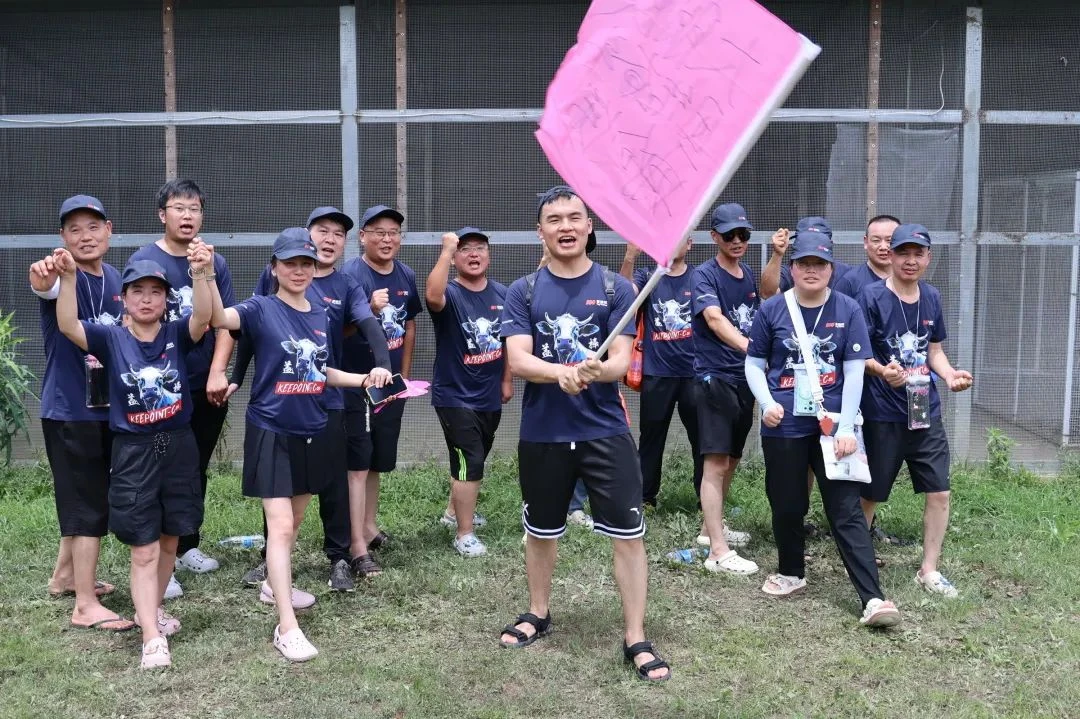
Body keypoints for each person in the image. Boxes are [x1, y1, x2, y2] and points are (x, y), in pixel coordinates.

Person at [498, 185, 670, 682]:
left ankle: (635, 636)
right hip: (544, 433)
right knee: (540, 531)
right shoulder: (523, 291)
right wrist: (562, 372)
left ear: (589, 227)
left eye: (574, 217)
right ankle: (538, 612)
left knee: (628, 537)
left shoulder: (616, 290)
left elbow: (620, 361)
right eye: (554, 220)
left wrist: (594, 372)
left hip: (605, 432)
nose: (566, 227)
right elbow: (518, 359)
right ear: (541, 232)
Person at [208, 228, 377, 661]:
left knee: (296, 519)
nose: (299, 270)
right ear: (274, 268)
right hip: (272, 430)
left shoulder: (321, 313)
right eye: (290, 264)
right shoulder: (260, 308)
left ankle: (271, 585)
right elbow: (218, 318)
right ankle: (287, 626)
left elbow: (321, 371)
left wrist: (363, 378)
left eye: (306, 263)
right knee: (281, 526)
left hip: (313, 428)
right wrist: (204, 275)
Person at [55, 242, 214, 668]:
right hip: (133, 452)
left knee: (170, 538)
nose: (146, 299)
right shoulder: (111, 338)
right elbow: (68, 324)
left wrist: (202, 272)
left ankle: (152, 610)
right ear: (123, 298)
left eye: (155, 292)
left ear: (166, 300)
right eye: (137, 291)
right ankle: (151, 638)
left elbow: (203, 317)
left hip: (179, 447)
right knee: (143, 547)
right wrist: (68, 278)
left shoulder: (176, 334)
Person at [744, 232, 902, 628]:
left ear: (831, 269)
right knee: (786, 502)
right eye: (804, 263)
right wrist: (767, 403)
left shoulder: (848, 308)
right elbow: (754, 364)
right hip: (784, 424)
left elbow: (854, 372)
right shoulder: (772, 309)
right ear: (793, 267)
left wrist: (847, 426)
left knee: (846, 508)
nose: (811, 270)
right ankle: (791, 572)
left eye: (820, 264)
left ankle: (873, 598)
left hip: (833, 428)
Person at [231, 207, 393, 591]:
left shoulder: (348, 285)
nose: (330, 239)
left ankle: (339, 558)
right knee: (278, 487)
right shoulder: (278, 277)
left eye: (338, 233)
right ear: (306, 236)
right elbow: (249, 328)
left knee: (333, 481)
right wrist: (236, 376)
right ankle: (272, 559)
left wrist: (382, 367)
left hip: (328, 398)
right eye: (323, 230)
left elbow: (368, 324)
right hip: (282, 404)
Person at [129, 179, 235, 597]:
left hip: (205, 386)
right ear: (162, 215)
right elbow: (133, 324)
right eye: (179, 208)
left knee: (194, 467)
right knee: (160, 470)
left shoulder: (214, 261)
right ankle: (160, 561)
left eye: (195, 209)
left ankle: (188, 545)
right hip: (162, 391)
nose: (187, 216)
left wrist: (217, 371)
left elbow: (224, 323)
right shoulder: (144, 260)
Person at [30, 195, 131, 632]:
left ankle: (65, 578)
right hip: (70, 410)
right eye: (74, 229)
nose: (85, 237)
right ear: (62, 238)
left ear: (109, 230)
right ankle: (85, 605)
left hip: (105, 409)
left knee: (84, 496)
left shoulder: (117, 279)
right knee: (87, 504)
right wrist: (45, 276)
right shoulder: (59, 274)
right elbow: (43, 284)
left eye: (93, 227)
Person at [857, 223, 973, 598]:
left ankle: (929, 569)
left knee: (939, 492)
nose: (910, 261)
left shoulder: (932, 297)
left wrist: (950, 375)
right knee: (872, 493)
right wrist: (882, 370)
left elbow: (933, 351)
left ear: (928, 258)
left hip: (925, 410)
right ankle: (859, 565)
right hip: (882, 411)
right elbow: (857, 354)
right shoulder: (871, 297)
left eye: (917, 254)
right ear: (891, 256)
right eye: (903, 253)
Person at [341, 205, 422, 569]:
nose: (387, 239)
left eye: (393, 233)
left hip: (390, 386)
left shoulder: (406, 274)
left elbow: (409, 325)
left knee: (377, 459)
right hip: (356, 384)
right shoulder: (350, 276)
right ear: (363, 237)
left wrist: (402, 378)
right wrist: (370, 310)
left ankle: (369, 525)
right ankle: (353, 535)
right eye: (379, 232)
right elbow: (338, 331)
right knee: (357, 461)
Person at [426, 227, 512, 557]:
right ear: (455, 258)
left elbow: (508, 342)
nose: (473, 254)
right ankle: (464, 534)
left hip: (489, 395)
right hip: (454, 395)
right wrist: (446, 250)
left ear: (489, 255)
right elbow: (432, 296)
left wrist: (506, 380)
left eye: (480, 248)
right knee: (470, 459)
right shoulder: (449, 293)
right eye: (465, 249)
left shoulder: (502, 294)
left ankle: (453, 511)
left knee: (477, 455)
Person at [689, 203, 759, 573]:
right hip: (714, 378)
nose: (737, 240)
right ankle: (717, 551)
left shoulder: (747, 275)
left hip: (744, 379)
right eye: (729, 234)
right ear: (714, 237)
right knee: (715, 462)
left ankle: (709, 529)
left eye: (743, 234)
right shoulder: (704, 275)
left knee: (731, 458)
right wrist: (752, 349)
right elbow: (715, 320)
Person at [620, 238, 702, 507]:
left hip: (694, 373)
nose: (674, 243)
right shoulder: (648, 276)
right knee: (651, 437)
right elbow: (624, 297)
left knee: (702, 438)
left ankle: (707, 498)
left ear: (689, 244)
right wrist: (630, 256)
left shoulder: (699, 277)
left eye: (681, 238)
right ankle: (645, 498)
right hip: (657, 372)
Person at [759, 216, 851, 299]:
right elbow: (767, 294)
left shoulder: (845, 273)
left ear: (830, 243)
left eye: (817, 239)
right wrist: (777, 254)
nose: (811, 270)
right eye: (805, 239)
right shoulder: (790, 270)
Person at [834, 215, 900, 299]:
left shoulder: (909, 278)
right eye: (876, 240)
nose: (883, 247)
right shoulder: (850, 281)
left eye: (889, 241)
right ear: (866, 242)